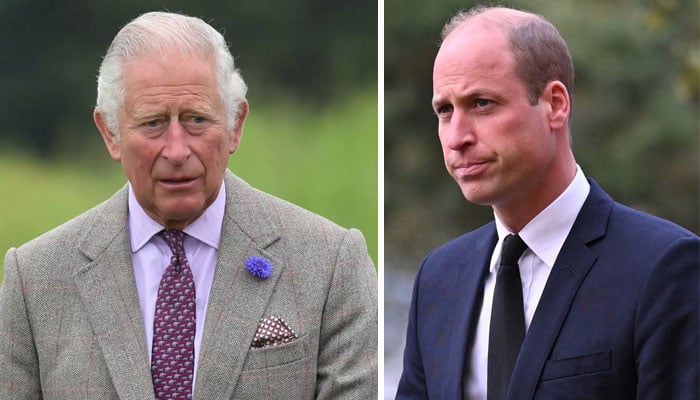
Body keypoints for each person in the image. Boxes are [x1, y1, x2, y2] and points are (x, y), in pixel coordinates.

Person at [0, 11, 377, 400]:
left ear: (235, 124)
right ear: (110, 133)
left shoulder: (329, 263)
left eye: (197, 120)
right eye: (153, 123)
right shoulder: (34, 281)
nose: (178, 150)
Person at [396, 5, 698, 400]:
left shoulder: (664, 266)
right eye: (444, 110)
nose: (456, 137)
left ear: (555, 104)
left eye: (482, 103)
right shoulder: (439, 276)